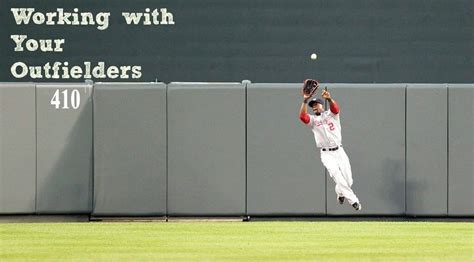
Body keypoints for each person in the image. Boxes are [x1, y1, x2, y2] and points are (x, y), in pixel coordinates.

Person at [299, 87, 361, 210]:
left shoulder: (331, 115)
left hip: (339, 151)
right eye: (313, 106)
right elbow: (302, 116)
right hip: (327, 154)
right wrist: (305, 101)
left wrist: (330, 99)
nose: (315, 107)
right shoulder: (313, 120)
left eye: (316, 104)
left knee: (348, 181)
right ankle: (354, 201)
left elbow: (336, 108)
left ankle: (340, 193)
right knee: (337, 176)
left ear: (322, 105)